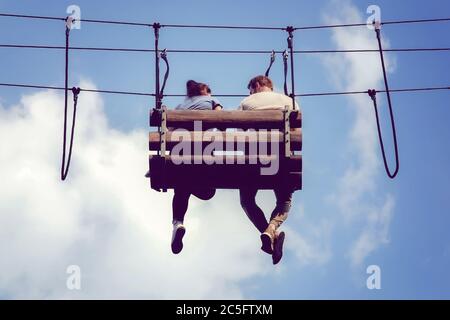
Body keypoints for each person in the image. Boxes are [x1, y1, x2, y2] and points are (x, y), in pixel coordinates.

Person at [238, 75, 300, 265]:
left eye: (251, 90)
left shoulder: (247, 102)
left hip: (254, 160)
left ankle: (268, 232)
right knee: (284, 201)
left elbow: (238, 132)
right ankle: (272, 229)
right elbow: (296, 131)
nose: (250, 94)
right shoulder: (290, 101)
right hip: (281, 158)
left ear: (256, 86)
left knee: (247, 201)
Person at [171, 80, 222, 254]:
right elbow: (222, 120)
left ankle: (178, 222)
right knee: (208, 193)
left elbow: (168, 130)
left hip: (181, 156)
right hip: (204, 156)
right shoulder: (212, 102)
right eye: (209, 91)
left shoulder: (179, 107)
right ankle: (178, 221)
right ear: (204, 91)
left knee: (181, 187)